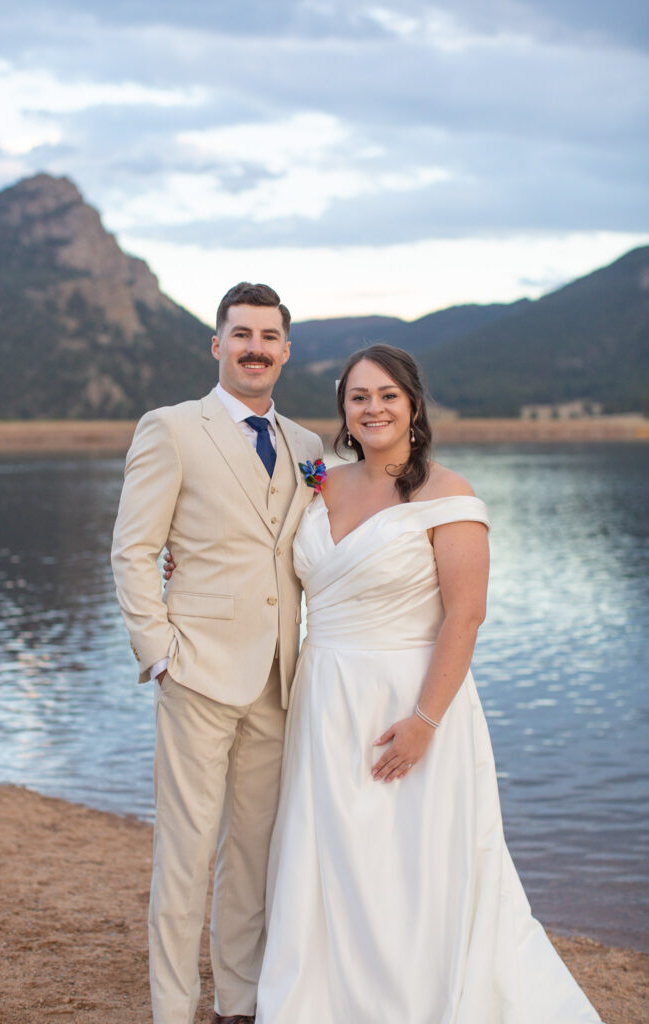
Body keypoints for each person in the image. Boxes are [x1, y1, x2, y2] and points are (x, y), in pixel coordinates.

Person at [250, 345, 604, 1022]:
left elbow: (465, 615)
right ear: (343, 412)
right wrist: (180, 561)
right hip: (324, 696)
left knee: (408, 861)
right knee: (333, 853)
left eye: (386, 395)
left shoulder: (447, 493)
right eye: (358, 397)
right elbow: (258, 552)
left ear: (412, 405)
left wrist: (423, 722)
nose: (372, 408)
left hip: (410, 700)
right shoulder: (317, 481)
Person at [111, 282, 323, 1024]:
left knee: (254, 856)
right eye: (241, 334)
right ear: (217, 345)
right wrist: (159, 650)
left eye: (268, 336)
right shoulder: (170, 428)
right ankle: (174, 1009)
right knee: (187, 854)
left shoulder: (309, 449)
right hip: (196, 671)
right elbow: (134, 549)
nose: (254, 348)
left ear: (285, 350)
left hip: (278, 678)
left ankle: (239, 1003)